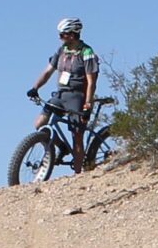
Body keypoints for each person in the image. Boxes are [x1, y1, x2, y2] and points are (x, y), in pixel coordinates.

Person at [25, 18, 101, 171]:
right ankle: (63, 148)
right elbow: (48, 71)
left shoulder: (87, 53)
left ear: (72, 35)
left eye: (63, 34)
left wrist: (88, 104)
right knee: (40, 124)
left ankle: (78, 173)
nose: (60, 37)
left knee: (77, 136)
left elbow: (91, 82)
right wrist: (35, 87)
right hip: (60, 95)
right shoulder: (61, 51)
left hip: (78, 97)